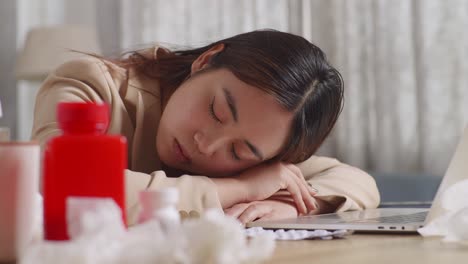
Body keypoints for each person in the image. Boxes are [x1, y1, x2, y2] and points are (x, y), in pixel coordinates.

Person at [32, 29, 380, 225]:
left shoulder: (265, 146)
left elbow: (357, 182)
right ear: (205, 60)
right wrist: (240, 187)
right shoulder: (91, 86)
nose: (206, 144)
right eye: (216, 111)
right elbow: (64, 183)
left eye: (237, 151)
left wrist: (293, 206)